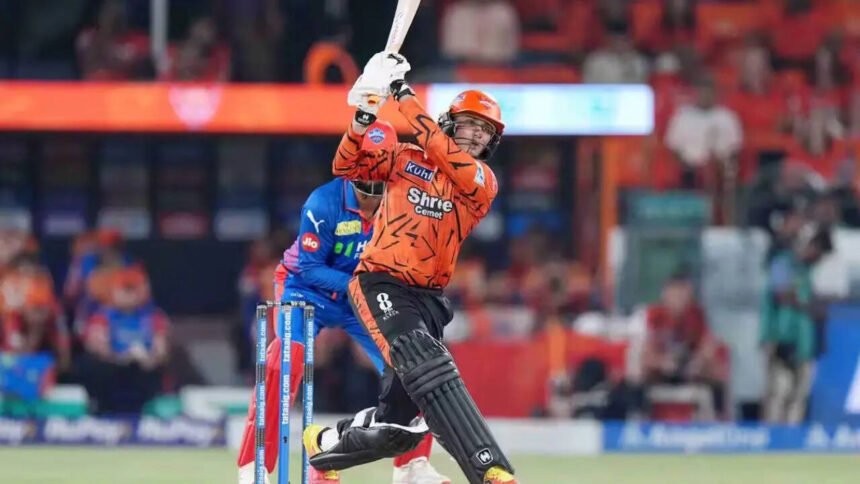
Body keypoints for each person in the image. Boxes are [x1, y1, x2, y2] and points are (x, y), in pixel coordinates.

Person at [301, 52, 518, 484]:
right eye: (470, 124)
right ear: (450, 122)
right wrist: (363, 116)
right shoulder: (404, 158)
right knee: (423, 358)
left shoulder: (481, 181)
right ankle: (490, 469)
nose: (477, 134)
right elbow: (345, 166)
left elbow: (440, 148)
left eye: (486, 130)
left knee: (397, 429)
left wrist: (401, 93)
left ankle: (323, 445)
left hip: (429, 299)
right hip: (380, 281)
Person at [236, 120, 450, 484]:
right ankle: (255, 467)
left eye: (380, 182)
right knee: (284, 361)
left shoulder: (402, 200)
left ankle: (411, 467)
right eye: (366, 187)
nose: (372, 201)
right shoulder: (323, 203)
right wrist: (360, 286)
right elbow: (310, 267)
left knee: (412, 363)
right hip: (305, 289)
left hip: (361, 296)